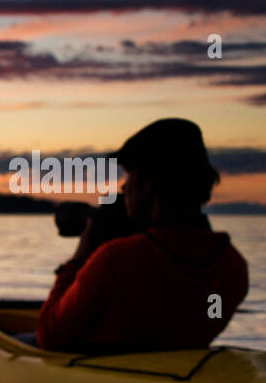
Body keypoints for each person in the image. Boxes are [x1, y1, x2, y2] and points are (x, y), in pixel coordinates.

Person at [36, 118, 249, 353]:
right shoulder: (232, 265)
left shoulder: (115, 259)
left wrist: (80, 256)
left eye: (129, 176)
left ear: (149, 182)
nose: (124, 188)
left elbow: (50, 335)